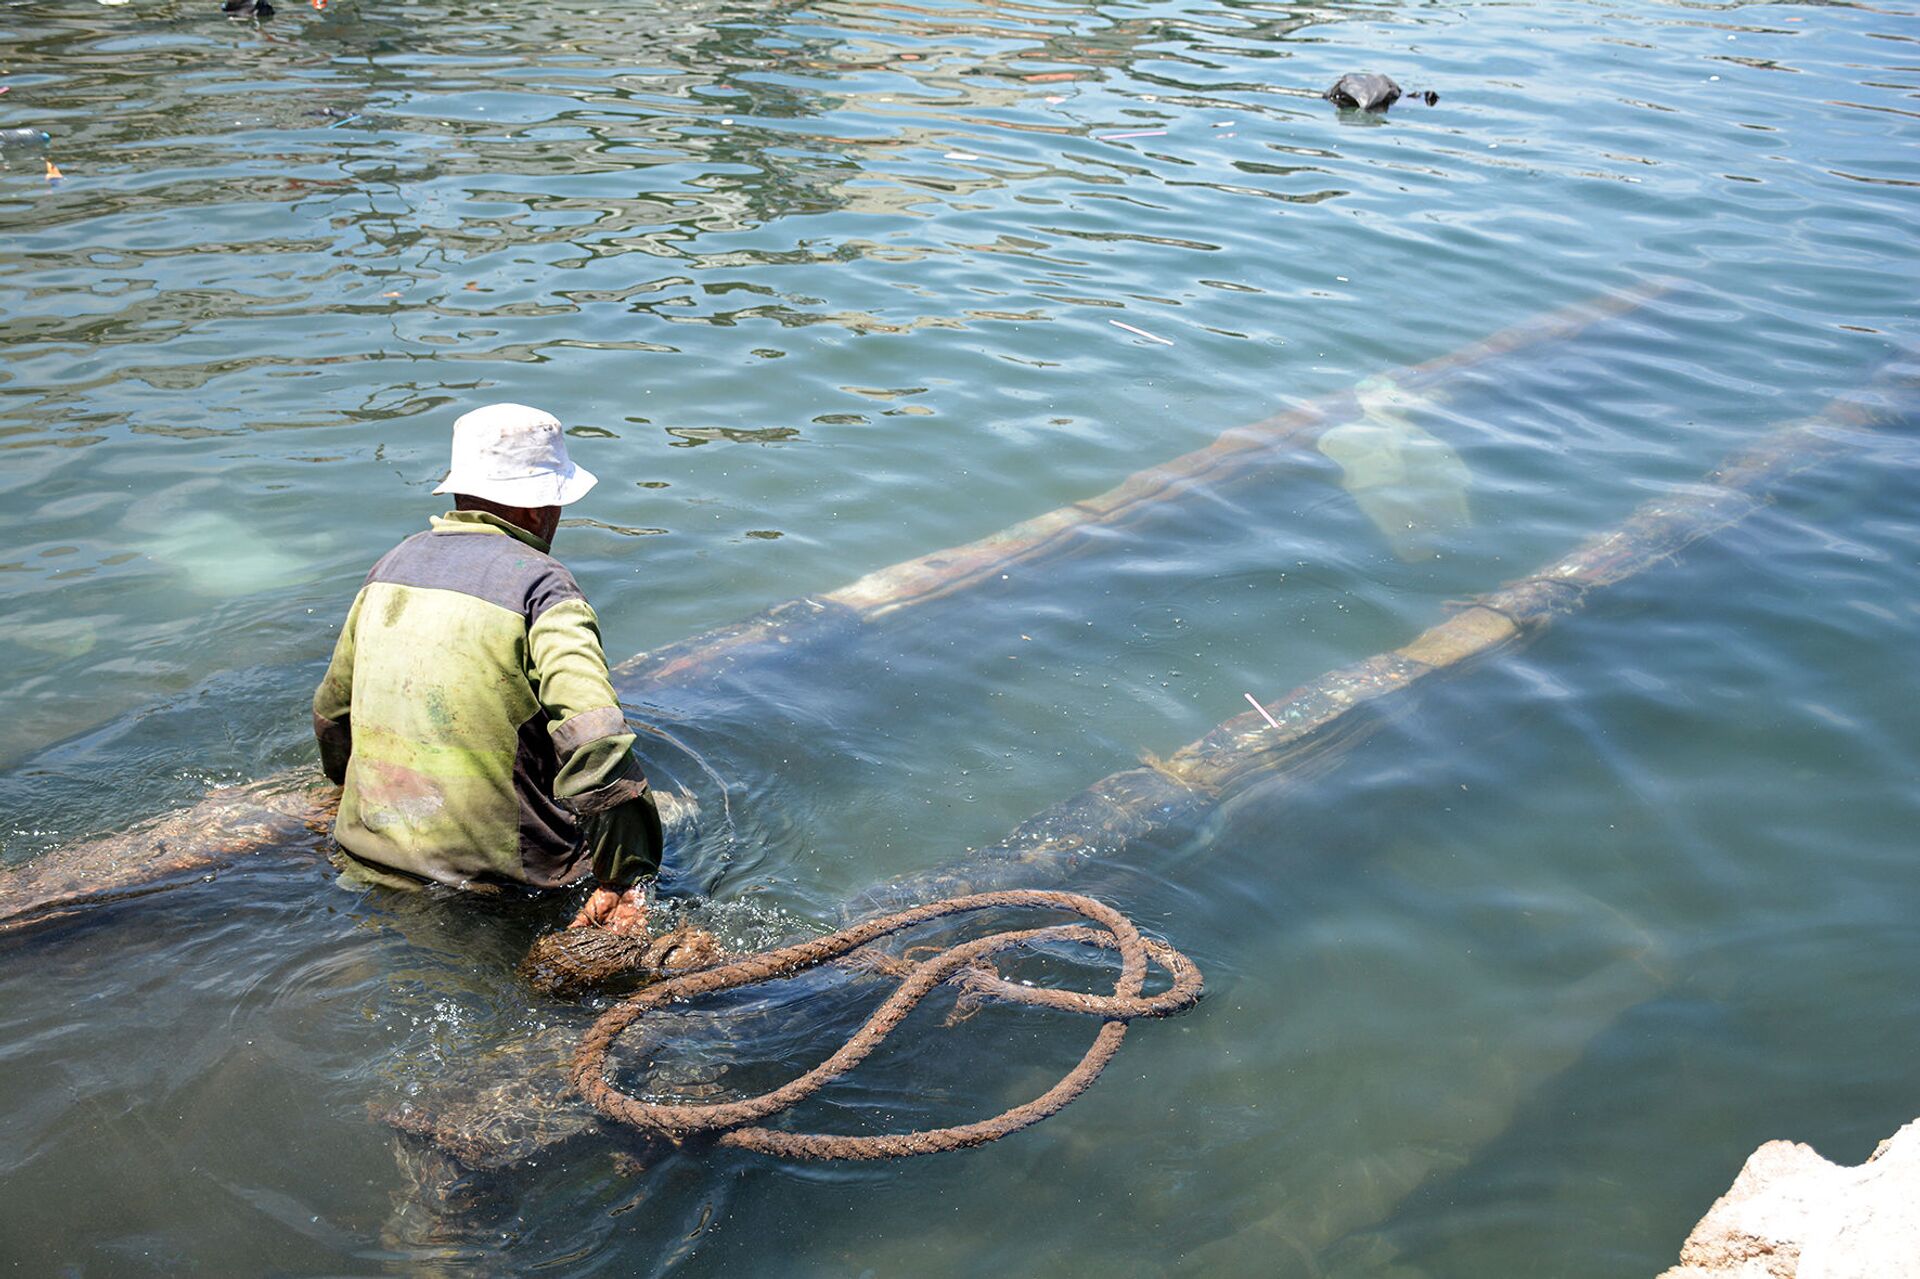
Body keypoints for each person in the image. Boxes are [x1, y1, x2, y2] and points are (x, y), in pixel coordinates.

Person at [311, 403, 661, 935]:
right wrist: (626, 877)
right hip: (500, 883)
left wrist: (350, 797)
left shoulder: (390, 566)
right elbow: (595, 740)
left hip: (366, 857)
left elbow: (331, 715)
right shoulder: (543, 586)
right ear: (535, 507)